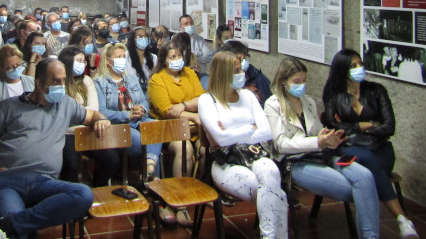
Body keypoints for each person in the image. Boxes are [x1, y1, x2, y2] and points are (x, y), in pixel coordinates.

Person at [0, 58, 112, 239]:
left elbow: (92, 114)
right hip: (8, 180)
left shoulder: (65, 104)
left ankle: (6, 225)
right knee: (20, 232)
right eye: (56, 81)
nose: (61, 86)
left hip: (44, 181)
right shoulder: (8, 107)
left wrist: (102, 119)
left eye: (63, 80)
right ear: (39, 83)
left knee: (83, 194)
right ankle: (16, 225)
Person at [265, 57, 380, 239]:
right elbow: (280, 144)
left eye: (304, 81)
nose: (301, 85)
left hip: (322, 154)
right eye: (296, 82)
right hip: (296, 161)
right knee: (356, 190)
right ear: (283, 82)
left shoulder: (308, 102)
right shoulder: (273, 104)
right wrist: (317, 142)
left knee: (365, 177)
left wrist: (331, 137)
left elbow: (318, 131)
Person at [322, 49, 418, 238]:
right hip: (350, 149)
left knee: (369, 164)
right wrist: (365, 125)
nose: (359, 68)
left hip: (380, 149)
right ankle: (402, 219)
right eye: (353, 66)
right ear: (343, 71)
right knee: (365, 162)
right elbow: (334, 126)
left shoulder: (376, 90)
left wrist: (356, 130)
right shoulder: (334, 96)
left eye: (360, 64)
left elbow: (389, 126)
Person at [198, 51, 288, 239]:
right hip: (226, 162)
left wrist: (232, 133)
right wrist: (249, 128)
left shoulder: (247, 96)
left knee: (271, 171)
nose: (242, 74)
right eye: (236, 71)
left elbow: (267, 131)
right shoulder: (207, 101)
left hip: (254, 154)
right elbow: (221, 141)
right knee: (278, 196)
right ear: (224, 74)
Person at [147, 40, 204, 227]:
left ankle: (194, 190)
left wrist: (183, 106)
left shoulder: (189, 73)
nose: (177, 60)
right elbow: (167, 111)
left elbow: (202, 98)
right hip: (169, 129)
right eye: (172, 57)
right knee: (185, 149)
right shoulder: (157, 80)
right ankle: (180, 203)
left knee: (206, 151)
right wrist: (193, 116)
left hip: (195, 128)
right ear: (164, 61)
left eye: (179, 56)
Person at [94, 43, 162, 180]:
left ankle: (149, 169)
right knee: (143, 142)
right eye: (118, 57)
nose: (122, 60)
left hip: (139, 119)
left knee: (156, 128)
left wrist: (142, 108)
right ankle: (150, 176)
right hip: (119, 124)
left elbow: (144, 100)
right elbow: (101, 111)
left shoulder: (131, 78)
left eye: (124, 57)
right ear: (108, 60)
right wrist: (127, 115)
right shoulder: (99, 82)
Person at [57, 46, 118, 186]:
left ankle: (98, 189)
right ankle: (71, 196)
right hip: (66, 134)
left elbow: (93, 109)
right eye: (78, 60)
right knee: (71, 163)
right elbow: (60, 113)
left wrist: (81, 116)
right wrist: (83, 115)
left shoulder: (87, 81)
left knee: (111, 159)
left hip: (88, 131)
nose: (82, 64)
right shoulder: (59, 82)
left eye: (83, 61)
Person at [0, 45, 35, 126]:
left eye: (18, 65)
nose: (15, 69)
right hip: (3, 130)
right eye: (10, 68)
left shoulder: (30, 82)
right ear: (1, 68)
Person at [221, 40, 272, 106]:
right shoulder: (220, 82)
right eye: (239, 59)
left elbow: (267, 104)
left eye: (244, 58)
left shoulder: (257, 77)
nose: (242, 62)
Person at [125, 26, 157, 94]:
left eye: (145, 36)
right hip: (133, 94)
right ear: (133, 39)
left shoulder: (154, 58)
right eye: (140, 36)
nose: (143, 38)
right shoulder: (126, 57)